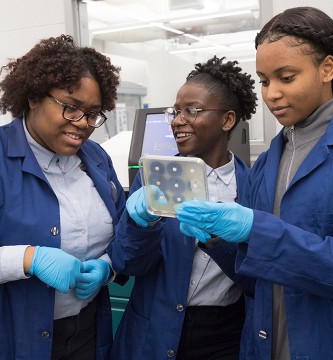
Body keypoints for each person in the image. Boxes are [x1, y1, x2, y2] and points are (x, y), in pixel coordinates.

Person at [175, 6, 333, 360]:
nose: (271, 93)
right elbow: (256, 280)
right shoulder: (270, 160)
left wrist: (254, 229)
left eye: (285, 77)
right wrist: (219, 241)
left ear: (326, 69)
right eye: (263, 81)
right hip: (268, 345)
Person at [0, 35, 125, 360]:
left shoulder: (97, 159)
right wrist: (29, 259)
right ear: (33, 98)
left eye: (93, 113)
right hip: (0, 340)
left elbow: (122, 234)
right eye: (71, 108)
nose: (83, 124)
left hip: (84, 334)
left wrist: (107, 266)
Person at [107, 56, 257, 359]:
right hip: (154, 327)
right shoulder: (155, 177)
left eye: (192, 111)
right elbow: (126, 263)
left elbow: (258, 279)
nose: (177, 120)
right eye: (176, 112)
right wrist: (141, 225)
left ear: (227, 120)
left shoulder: (252, 186)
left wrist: (219, 244)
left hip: (223, 334)